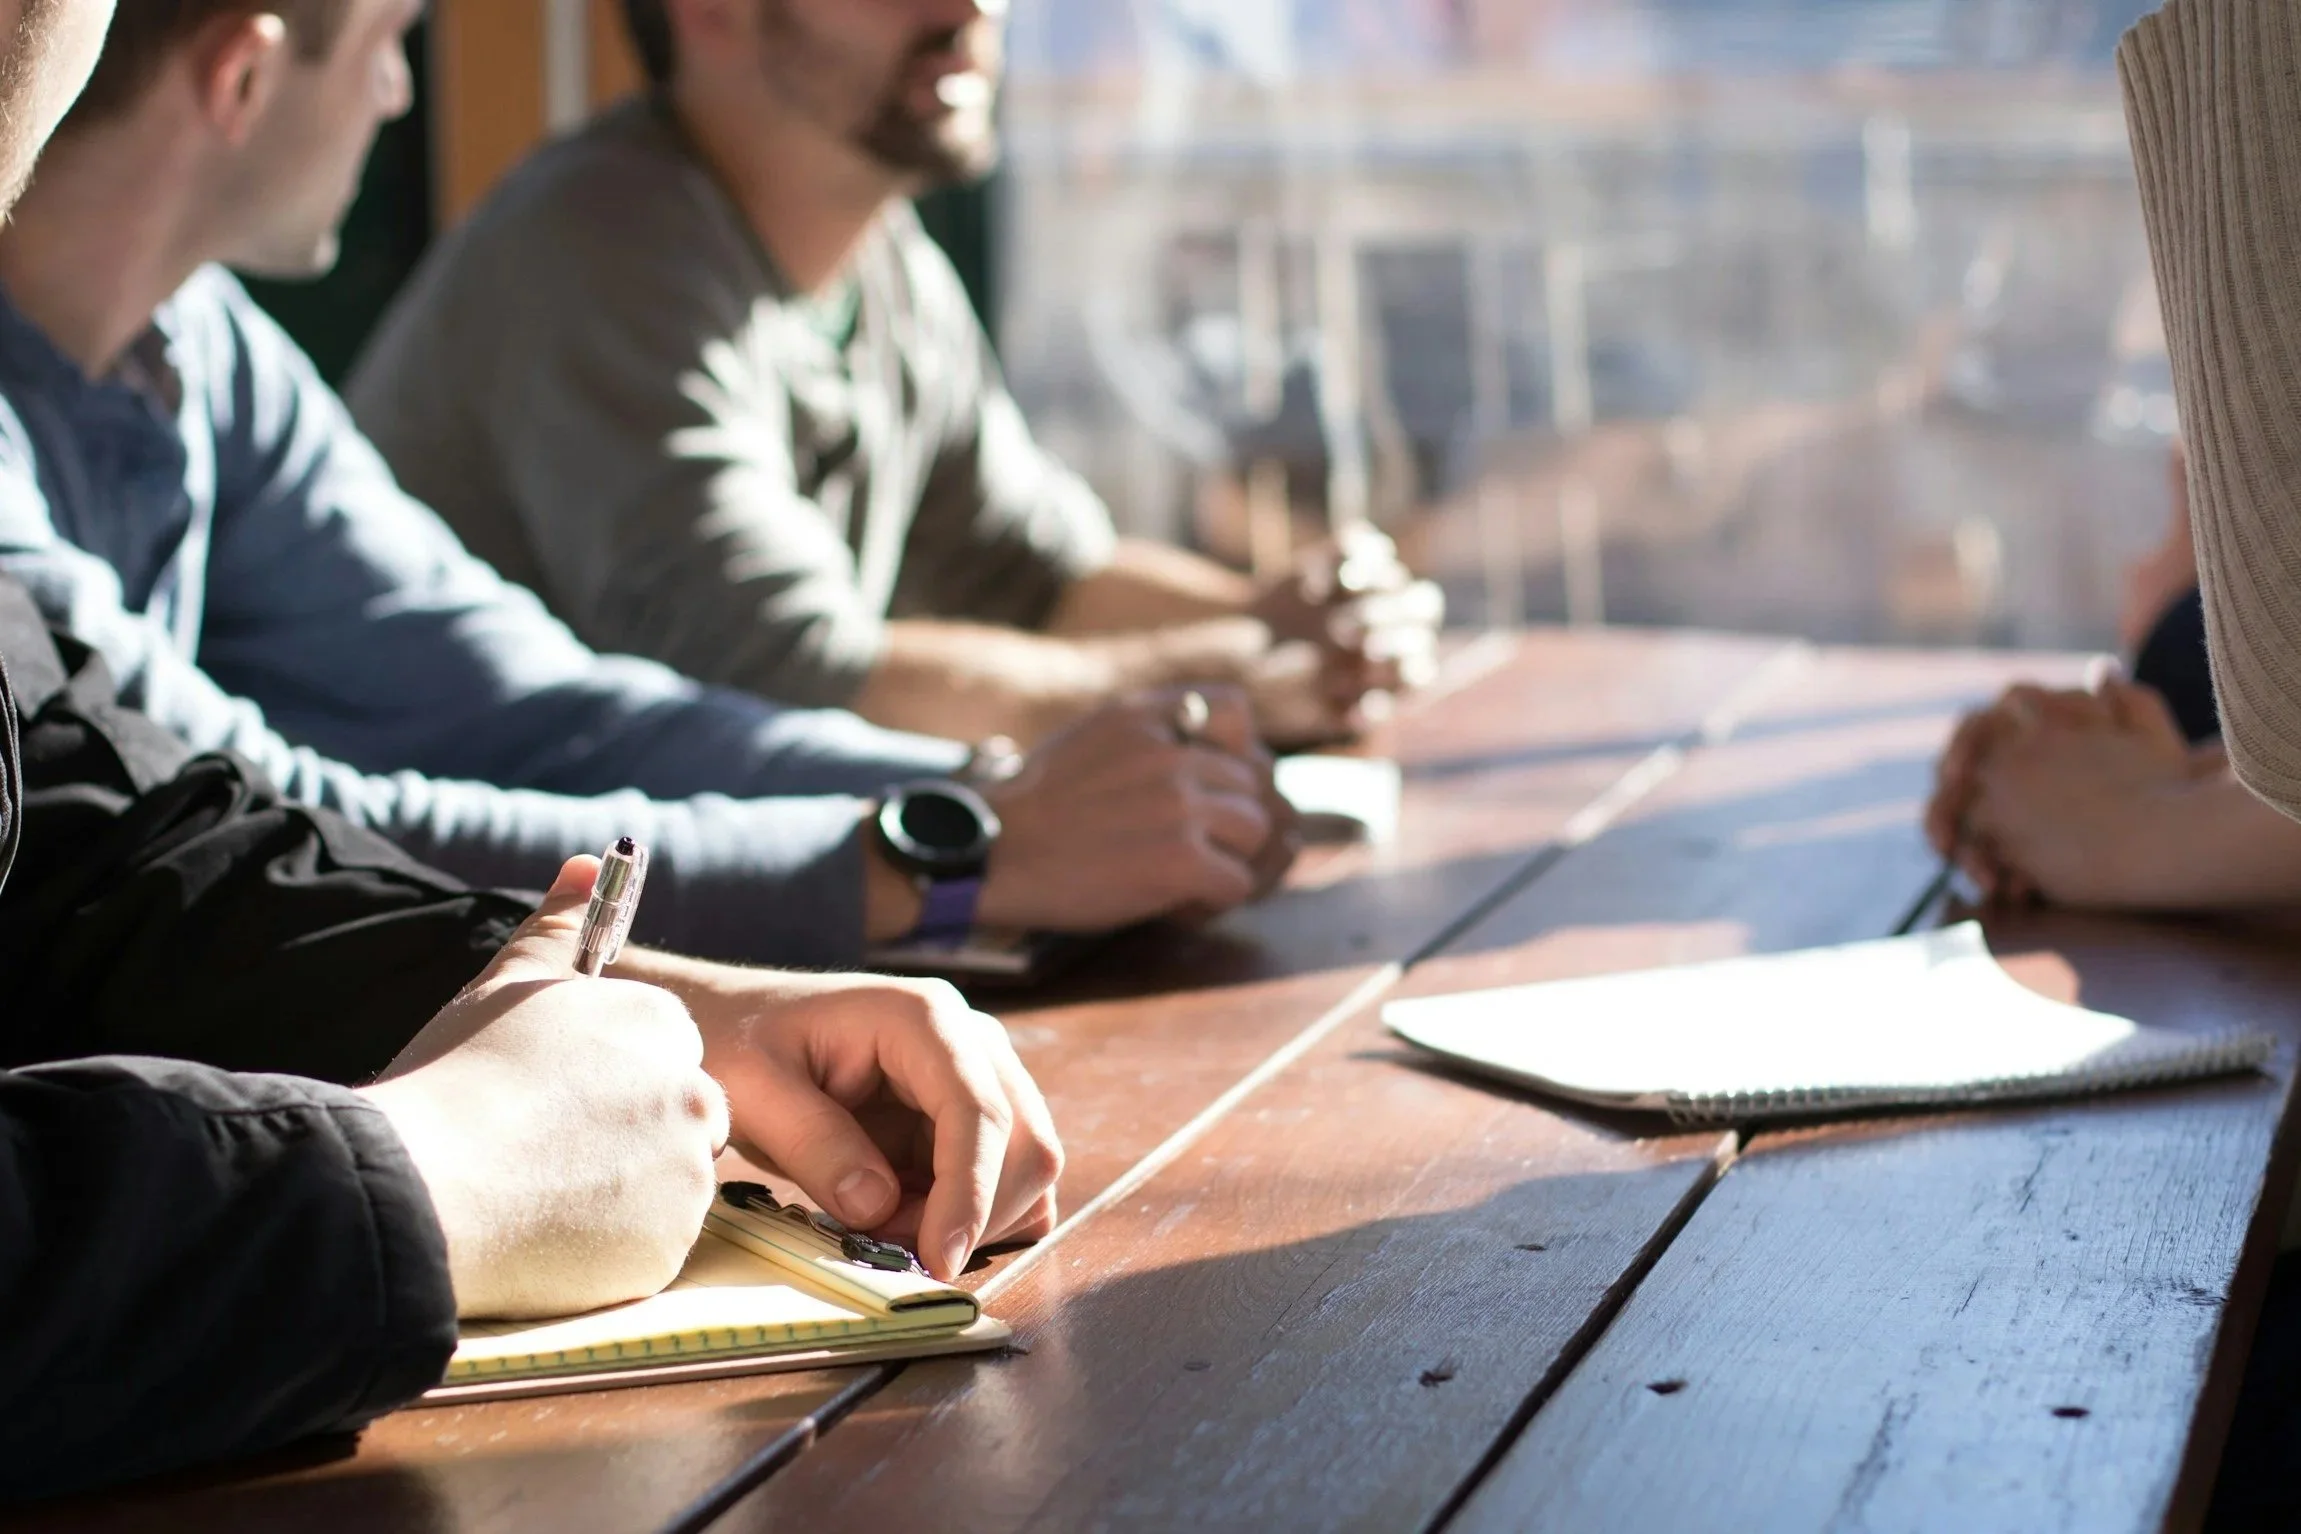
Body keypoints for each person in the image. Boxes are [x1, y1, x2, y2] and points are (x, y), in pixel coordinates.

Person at [0, 0, 1296, 973]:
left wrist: (985, 787)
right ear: (240, 74)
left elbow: (533, 707)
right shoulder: (598, 239)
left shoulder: (197, 344)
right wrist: (948, 851)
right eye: (393, 36)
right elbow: (273, 836)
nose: (401, 93)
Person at [347, 0, 1444, 750]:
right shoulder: (599, 250)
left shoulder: (877, 251)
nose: (975, 6)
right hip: (484, 950)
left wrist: (1292, 620)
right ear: (710, 10)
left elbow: (1039, 574)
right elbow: (794, 683)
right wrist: (1234, 676)